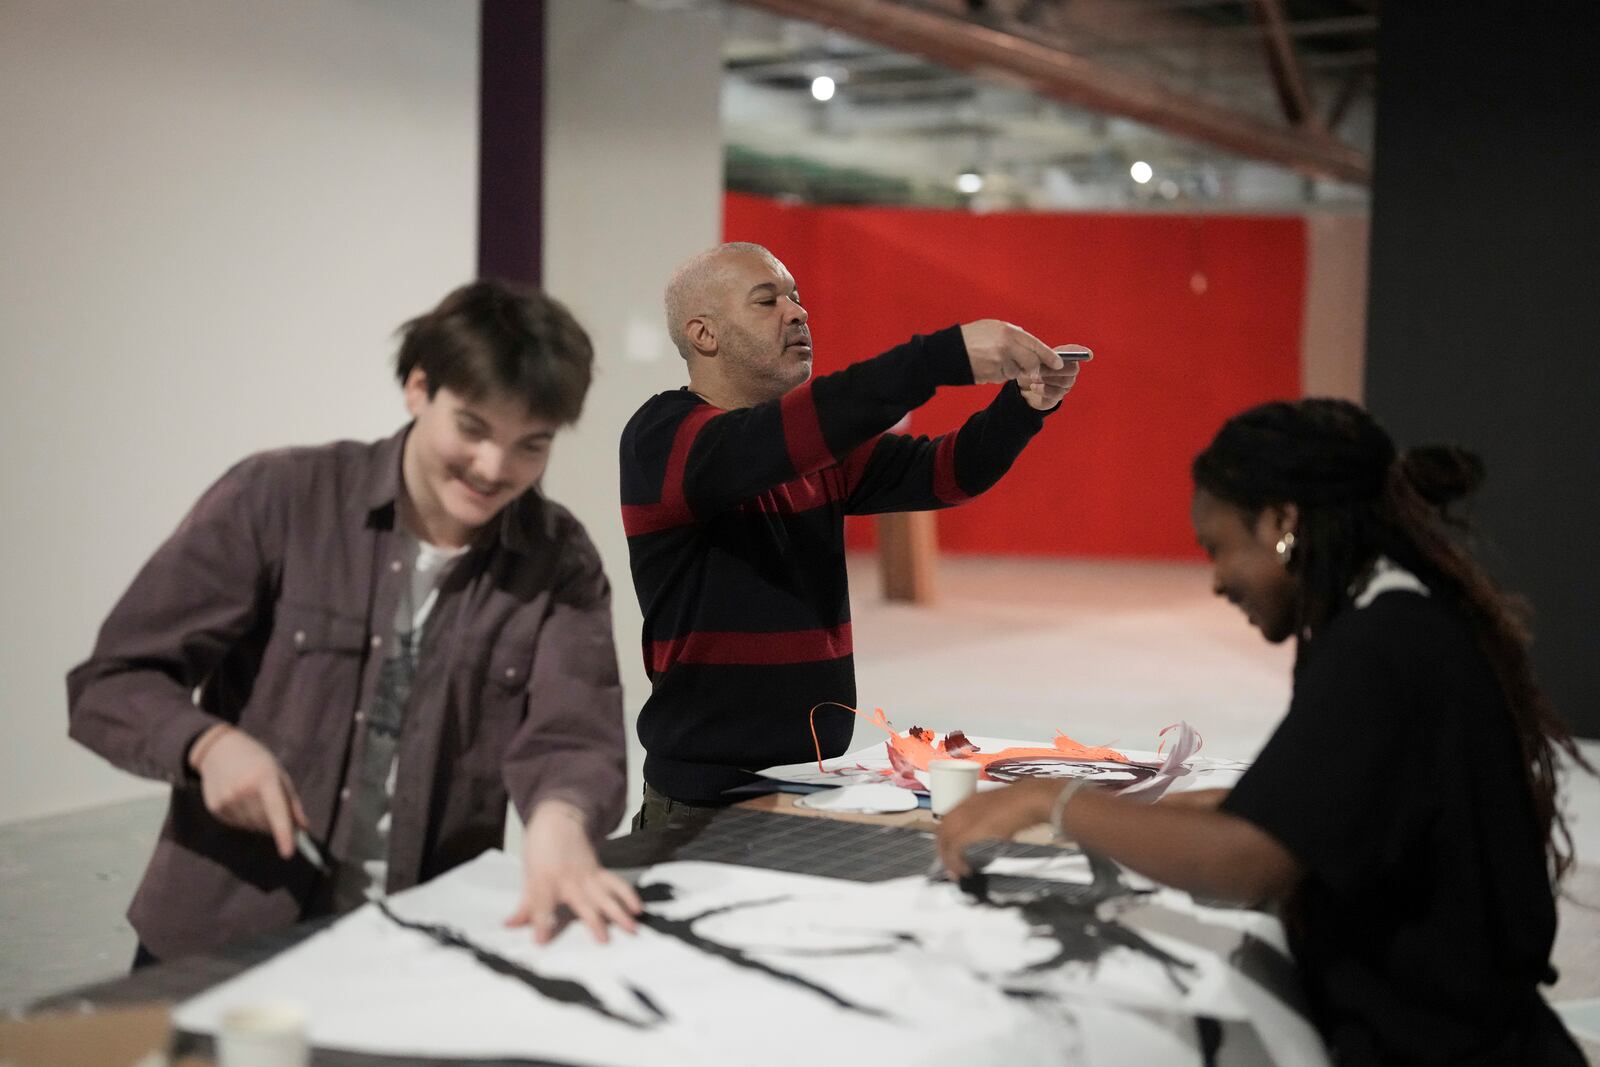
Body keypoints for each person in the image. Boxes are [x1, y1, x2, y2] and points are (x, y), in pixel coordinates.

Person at [936, 398, 1589, 1065]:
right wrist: (1110, 812)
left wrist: (1056, 801)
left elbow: (1247, 858)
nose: (1217, 580)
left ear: (1282, 522)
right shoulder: (1388, 611)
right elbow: (1285, 803)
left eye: (1219, 548)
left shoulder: (1382, 646)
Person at [68, 280, 641, 965]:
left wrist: (560, 820)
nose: (494, 468)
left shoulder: (557, 557)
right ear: (419, 388)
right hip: (224, 937)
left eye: (531, 445)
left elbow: (574, 733)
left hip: (418, 942)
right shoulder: (279, 498)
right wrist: (208, 745)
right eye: (473, 428)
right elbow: (112, 679)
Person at [620, 241, 1089, 829]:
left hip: (813, 785)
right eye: (768, 301)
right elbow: (784, 435)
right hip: (703, 803)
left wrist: (1022, 408)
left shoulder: (809, 453)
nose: (797, 313)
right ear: (704, 335)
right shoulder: (663, 437)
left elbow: (945, 474)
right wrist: (939, 358)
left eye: (796, 297)